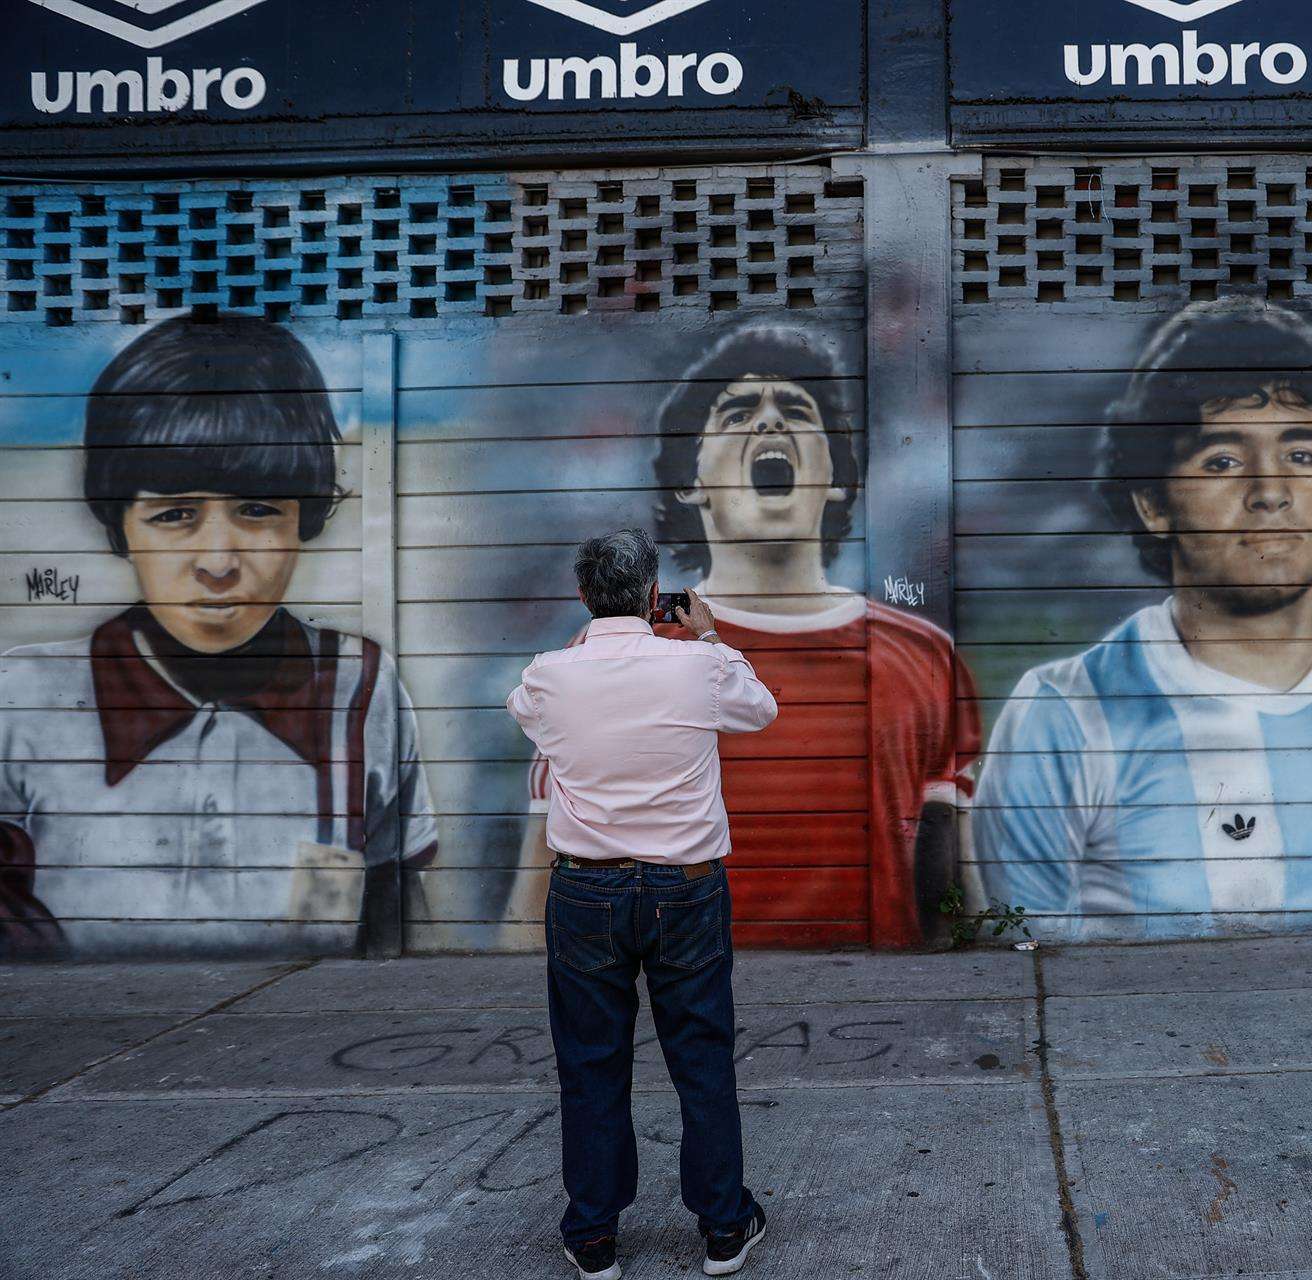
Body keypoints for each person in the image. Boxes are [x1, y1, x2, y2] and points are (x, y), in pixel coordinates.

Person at [971, 300, 1312, 940]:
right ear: (1153, 502)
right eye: (1223, 462)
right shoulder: (1062, 714)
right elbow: (1024, 957)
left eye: (1302, 456)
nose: (1270, 490)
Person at [521, 323, 979, 947]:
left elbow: (954, 884)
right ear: (691, 479)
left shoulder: (922, 654)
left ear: (840, 475)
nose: (769, 425)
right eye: (737, 414)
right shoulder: (599, 656)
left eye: (796, 410)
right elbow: (535, 881)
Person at [0, 314, 435, 959]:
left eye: (258, 510)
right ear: (120, 526)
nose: (218, 563)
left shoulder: (359, 689)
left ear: (303, 517)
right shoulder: (26, 697)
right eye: (174, 515)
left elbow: (395, 901)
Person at [509, 528, 775, 1279]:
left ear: (584, 595)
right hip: (684, 888)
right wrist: (713, 636)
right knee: (702, 1058)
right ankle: (724, 1229)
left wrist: (580, 645)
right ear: (657, 595)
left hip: (584, 889)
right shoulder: (698, 666)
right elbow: (759, 712)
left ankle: (593, 1238)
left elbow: (531, 713)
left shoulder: (548, 674)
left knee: (591, 1064)